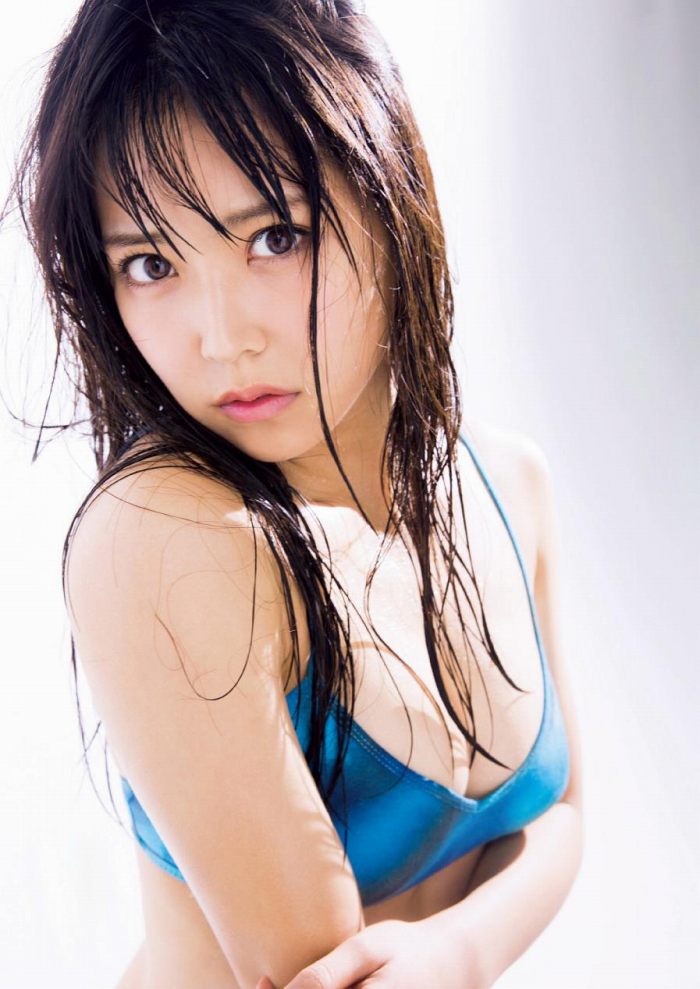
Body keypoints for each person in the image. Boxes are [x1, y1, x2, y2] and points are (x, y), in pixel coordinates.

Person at [3, 1, 584, 987]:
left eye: (274, 235)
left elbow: (561, 815)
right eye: (151, 263)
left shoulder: (508, 483)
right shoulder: (168, 536)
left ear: (388, 189)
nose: (221, 337)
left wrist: (457, 949)